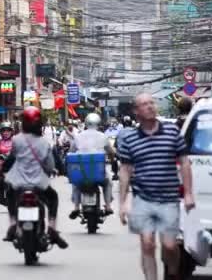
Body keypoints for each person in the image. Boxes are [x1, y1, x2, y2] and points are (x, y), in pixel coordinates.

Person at [117, 93, 194, 280]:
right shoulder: (129, 138)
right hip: (142, 199)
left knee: (170, 246)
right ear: (136, 111)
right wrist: (123, 202)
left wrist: (189, 193)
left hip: (169, 198)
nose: (150, 106)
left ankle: (174, 273)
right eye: (144, 104)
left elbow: (184, 162)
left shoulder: (171, 132)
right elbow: (125, 170)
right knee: (147, 244)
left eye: (152, 103)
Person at [2, 106, 68, 249]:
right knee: (53, 198)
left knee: (10, 197)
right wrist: (53, 170)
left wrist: (3, 169)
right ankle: (51, 227)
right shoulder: (44, 142)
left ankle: (13, 224)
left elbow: (11, 159)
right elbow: (50, 165)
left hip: (18, 182)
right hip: (39, 183)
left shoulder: (17, 140)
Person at [68, 113, 115, 219]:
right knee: (108, 182)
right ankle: (108, 206)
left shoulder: (78, 136)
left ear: (86, 123)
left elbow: (71, 152)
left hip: (82, 173)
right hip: (98, 173)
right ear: (99, 124)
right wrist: (112, 160)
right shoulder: (103, 136)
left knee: (76, 183)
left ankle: (76, 207)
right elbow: (111, 152)